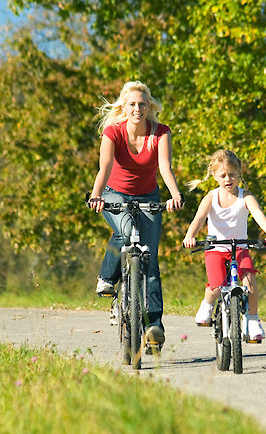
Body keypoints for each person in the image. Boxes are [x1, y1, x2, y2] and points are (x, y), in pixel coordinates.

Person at [87, 80, 183, 349]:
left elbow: (165, 167)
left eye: (142, 104)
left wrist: (174, 195)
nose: (137, 109)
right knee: (125, 231)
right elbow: (104, 166)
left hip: (148, 196)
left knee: (150, 260)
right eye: (132, 104)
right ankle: (107, 278)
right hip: (113, 194)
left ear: (149, 106)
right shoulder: (112, 132)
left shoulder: (161, 133)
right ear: (123, 107)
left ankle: (154, 325)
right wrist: (96, 195)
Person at [182, 150, 266, 341]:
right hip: (216, 249)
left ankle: (252, 319)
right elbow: (199, 218)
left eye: (232, 175)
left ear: (239, 174)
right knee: (217, 287)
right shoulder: (211, 197)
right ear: (215, 176)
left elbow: (258, 214)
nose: (228, 179)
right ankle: (207, 304)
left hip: (239, 248)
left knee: (249, 280)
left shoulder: (245, 196)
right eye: (223, 175)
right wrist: (190, 236)